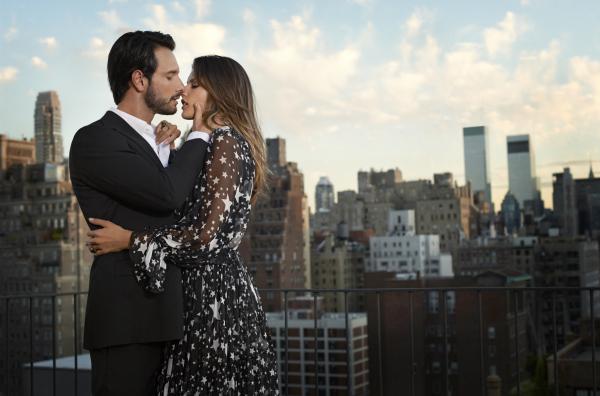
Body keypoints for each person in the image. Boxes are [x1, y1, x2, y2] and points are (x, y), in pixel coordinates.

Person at [87, 55, 280, 395]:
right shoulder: (212, 142)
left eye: (193, 83)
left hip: (215, 302)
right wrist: (169, 151)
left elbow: (205, 237)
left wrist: (130, 239)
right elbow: (179, 203)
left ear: (217, 94)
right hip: (198, 296)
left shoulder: (226, 142)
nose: (183, 91)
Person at [69, 31, 211, 395]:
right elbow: (166, 195)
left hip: (173, 318)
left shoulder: (160, 140)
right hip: (127, 324)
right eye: (170, 76)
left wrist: (170, 147)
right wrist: (200, 133)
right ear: (138, 79)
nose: (180, 86)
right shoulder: (95, 140)